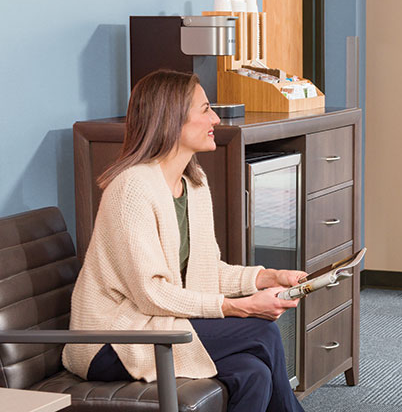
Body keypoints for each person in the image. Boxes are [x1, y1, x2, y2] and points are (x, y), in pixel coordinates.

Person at [62, 69, 306, 412]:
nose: (216, 119)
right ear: (171, 118)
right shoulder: (132, 188)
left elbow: (207, 272)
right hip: (114, 340)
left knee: (253, 374)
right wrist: (240, 306)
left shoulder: (194, 182)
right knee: (261, 332)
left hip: (159, 326)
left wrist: (268, 277)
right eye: (205, 109)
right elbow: (152, 293)